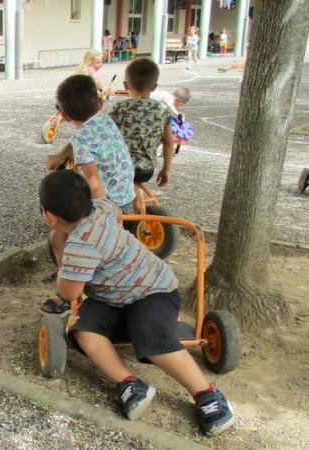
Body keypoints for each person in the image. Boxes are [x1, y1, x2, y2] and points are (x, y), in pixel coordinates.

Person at [39, 169, 235, 436]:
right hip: (112, 298)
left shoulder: (80, 247)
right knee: (81, 328)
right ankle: (129, 383)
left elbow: (70, 292)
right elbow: (114, 209)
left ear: (50, 216)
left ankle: (207, 394)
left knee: (149, 333)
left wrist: (59, 245)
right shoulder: (101, 207)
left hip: (153, 292)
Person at [42, 75, 135, 314]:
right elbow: (78, 144)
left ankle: (70, 291)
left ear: (64, 116)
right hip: (127, 195)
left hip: (108, 203)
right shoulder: (104, 120)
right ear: (100, 104)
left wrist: (99, 216)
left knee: (57, 235)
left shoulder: (82, 136)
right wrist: (61, 155)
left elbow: (93, 180)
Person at [108, 58, 176, 188]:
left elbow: (106, 135)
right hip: (147, 170)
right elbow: (168, 142)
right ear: (155, 87)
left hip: (121, 168)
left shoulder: (120, 108)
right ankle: (136, 204)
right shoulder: (162, 110)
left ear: (125, 85)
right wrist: (166, 170)